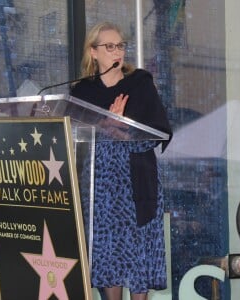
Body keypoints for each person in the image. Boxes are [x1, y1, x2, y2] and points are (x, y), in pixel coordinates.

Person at [70, 21, 172, 300]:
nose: (117, 52)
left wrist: (122, 129)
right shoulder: (81, 93)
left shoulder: (139, 83)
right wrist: (105, 123)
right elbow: (73, 134)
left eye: (121, 46)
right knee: (107, 253)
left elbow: (159, 129)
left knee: (138, 254)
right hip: (100, 182)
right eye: (109, 46)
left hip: (136, 178)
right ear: (93, 52)